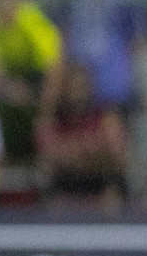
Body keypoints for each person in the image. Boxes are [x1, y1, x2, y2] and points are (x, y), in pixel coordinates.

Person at [35, 62, 127, 207]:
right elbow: (50, 158)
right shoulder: (51, 120)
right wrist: (91, 150)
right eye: (71, 87)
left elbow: (117, 158)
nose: (77, 93)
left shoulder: (106, 117)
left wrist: (75, 152)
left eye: (81, 87)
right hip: (64, 187)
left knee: (113, 197)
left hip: (101, 185)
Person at [0, 0, 61, 162]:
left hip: (39, 74)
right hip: (13, 76)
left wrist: (46, 109)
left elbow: (53, 68)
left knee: (46, 109)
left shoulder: (30, 21)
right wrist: (11, 90)